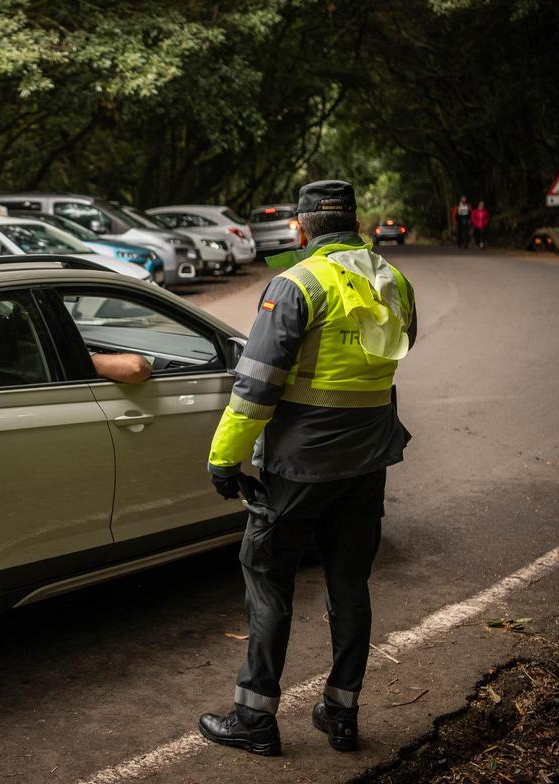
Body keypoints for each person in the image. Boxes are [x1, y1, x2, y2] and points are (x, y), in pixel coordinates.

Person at [198, 180, 417, 757]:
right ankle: (341, 714)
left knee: (268, 576)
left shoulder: (296, 285)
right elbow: (398, 352)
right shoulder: (394, 282)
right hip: (366, 462)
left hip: (298, 467)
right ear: (356, 223)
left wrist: (224, 459)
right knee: (350, 585)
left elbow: (255, 387)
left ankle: (255, 717)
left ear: (301, 226)